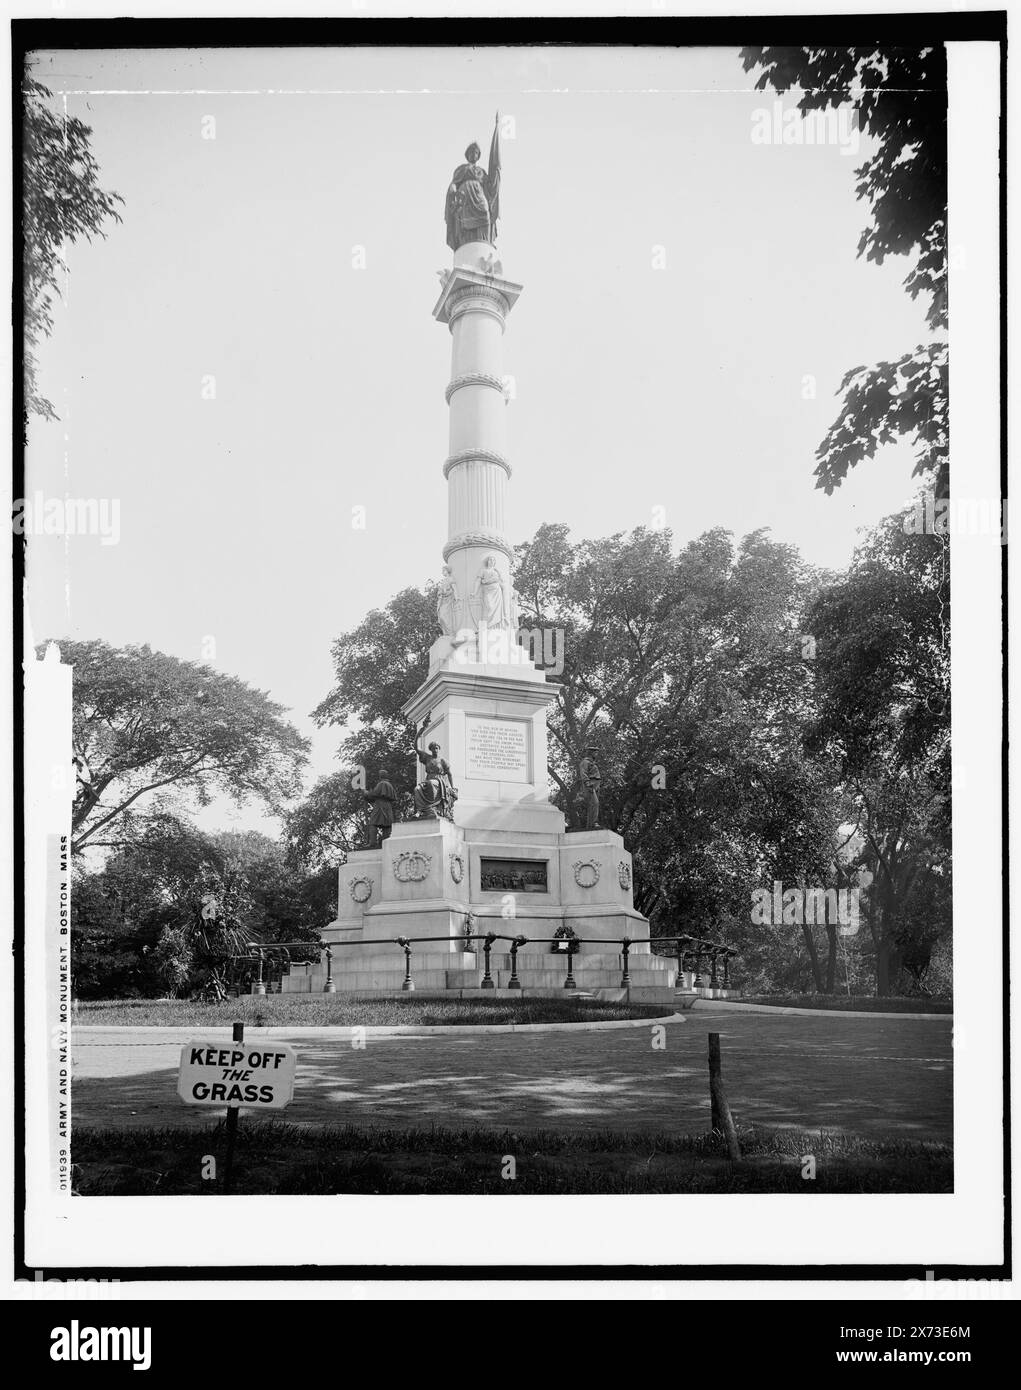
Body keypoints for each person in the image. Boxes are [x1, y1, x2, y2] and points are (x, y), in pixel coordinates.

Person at [444, 117, 501, 251]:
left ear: (478, 155)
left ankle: (484, 245)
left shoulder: (481, 172)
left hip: (479, 197)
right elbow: (454, 184)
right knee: (464, 226)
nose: (473, 154)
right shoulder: (461, 169)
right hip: (465, 199)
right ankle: (467, 246)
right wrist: (453, 191)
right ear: (467, 155)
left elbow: (489, 186)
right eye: (471, 152)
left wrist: (496, 173)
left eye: (476, 152)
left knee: (486, 218)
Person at [414, 741, 457, 820]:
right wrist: (418, 735)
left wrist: (452, 787)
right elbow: (416, 748)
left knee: (430, 783)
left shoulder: (442, 761)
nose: (435, 750)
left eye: (436, 748)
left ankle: (431, 808)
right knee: (417, 789)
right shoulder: (427, 758)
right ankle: (421, 810)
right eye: (433, 748)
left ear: (439, 749)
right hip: (429, 779)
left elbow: (449, 774)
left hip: (439, 781)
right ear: (431, 750)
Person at [363, 770, 398, 846]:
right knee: (387, 825)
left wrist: (366, 793)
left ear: (381, 776)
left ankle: (372, 843)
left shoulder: (382, 784)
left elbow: (374, 794)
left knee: (373, 823)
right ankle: (386, 843)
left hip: (380, 806)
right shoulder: (389, 785)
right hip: (388, 807)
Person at [579, 746, 601, 830]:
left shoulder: (592, 762)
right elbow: (583, 773)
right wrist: (588, 783)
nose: (597, 754)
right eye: (595, 752)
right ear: (591, 753)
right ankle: (593, 823)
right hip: (590, 785)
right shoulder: (585, 762)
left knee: (593, 805)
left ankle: (590, 825)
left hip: (596, 785)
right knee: (595, 803)